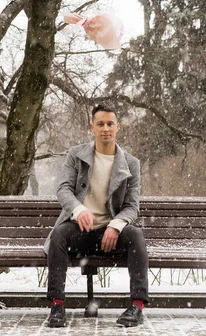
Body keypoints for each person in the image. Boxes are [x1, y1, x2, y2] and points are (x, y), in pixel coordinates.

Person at [44, 103, 149, 328]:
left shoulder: (131, 164)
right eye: (100, 124)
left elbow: (132, 206)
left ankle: (137, 307)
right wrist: (79, 209)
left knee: (136, 236)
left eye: (110, 124)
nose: (105, 128)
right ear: (91, 127)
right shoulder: (76, 155)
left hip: (110, 233)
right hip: (81, 229)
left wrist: (116, 224)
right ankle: (57, 306)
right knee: (59, 235)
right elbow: (63, 188)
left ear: (118, 127)